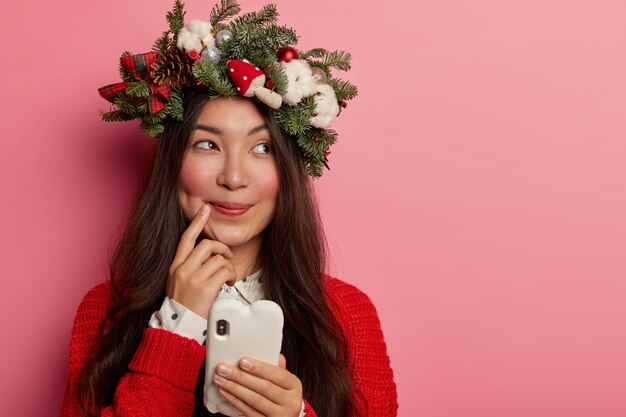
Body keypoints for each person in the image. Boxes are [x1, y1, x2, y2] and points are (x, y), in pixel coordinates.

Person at [61, 1, 398, 416]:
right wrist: (178, 322)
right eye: (207, 144)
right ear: (174, 164)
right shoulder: (105, 311)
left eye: (261, 148)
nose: (234, 178)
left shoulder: (347, 313)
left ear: (287, 173)